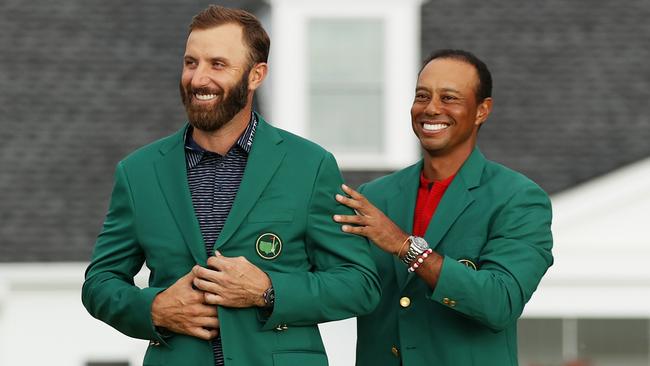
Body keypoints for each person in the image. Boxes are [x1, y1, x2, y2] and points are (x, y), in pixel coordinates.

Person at [81, 5, 380, 366]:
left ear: (256, 75)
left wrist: (268, 292)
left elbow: (359, 285)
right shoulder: (138, 172)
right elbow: (100, 282)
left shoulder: (310, 166)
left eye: (217, 64)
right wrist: (154, 308)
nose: (198, 78)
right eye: (191, 62)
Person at [334, 49, 553, 365]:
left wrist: (404, 246)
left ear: (482, 110)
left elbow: (500, 302)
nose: (431, 108)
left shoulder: (518, 199)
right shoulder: (375, 196)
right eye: (422, 96)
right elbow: (337, 284)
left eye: (449, 98)